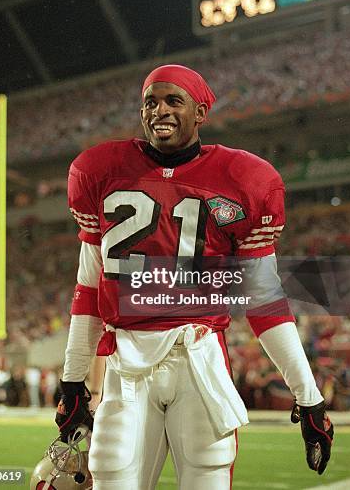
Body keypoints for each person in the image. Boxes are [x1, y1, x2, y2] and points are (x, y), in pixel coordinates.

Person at [55, 64, 334, 490]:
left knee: (207, 474)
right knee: (110, 471)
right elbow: (89, 289)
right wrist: (73, 380)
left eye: (173, 100)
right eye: (150, 101)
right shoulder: (100, 170)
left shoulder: (245, 180)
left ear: (201, 112)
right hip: (127, 362)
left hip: (198, 357)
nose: (159, 110)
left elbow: (264, 303)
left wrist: (308, 396)